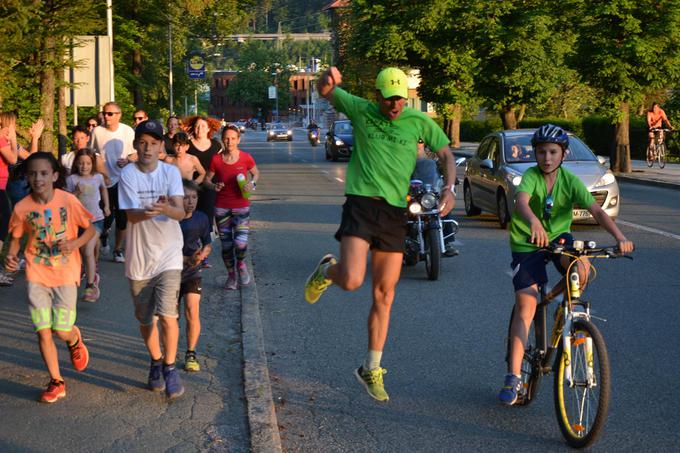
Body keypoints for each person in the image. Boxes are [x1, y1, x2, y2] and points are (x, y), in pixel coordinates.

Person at [304, 67, 456, 402]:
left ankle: (370, 366)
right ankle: (327, 270)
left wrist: (449, 188)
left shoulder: (418, 121)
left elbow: (445, 154)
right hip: (361, 203)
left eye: (400, 98)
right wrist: (327, 82)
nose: (395, 105)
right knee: (353, 279)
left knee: (385, 294)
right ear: (378, 96)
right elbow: (324, 91)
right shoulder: (361, 109)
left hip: (394, 213)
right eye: (389, 99)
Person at [498, 124, 634, 405]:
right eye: (541, 152)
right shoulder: (531, 178)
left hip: (559, 240)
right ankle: (513, 377)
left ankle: (556, 299)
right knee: (526, 306)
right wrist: (534, 222)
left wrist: (620, 237)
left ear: (562, 154)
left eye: (552, 152)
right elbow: (522, 202)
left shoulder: (570, 181)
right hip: (528, 243)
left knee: (582, 267)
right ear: (535, 154)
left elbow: (597, 210)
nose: (546, 158)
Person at [5, 151, 94, 403]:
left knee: (60, 330)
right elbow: (15, 239)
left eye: (44, 173)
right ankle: (56, 381)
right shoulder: (22, 207)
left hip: (65, 273)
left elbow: (91, 231)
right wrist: (11, 258)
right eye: (32, 173)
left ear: (55, 175)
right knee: (43, 331)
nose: (38, 178)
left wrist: (75, 243)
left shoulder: (67, 201)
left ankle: (74, 337)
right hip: (36, 274)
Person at [118, 119, 186, 399]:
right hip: (139, 259)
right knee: (146, 320)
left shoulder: (170, 173)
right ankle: (155, 361)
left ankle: (170, 368)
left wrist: (166, 209)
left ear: (161, 147)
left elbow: (180, 212)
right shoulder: (128, 175)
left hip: (169, 255)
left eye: (153, 143)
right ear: (136, 145)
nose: (147, 148)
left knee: (169, 316)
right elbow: (131, 215)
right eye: (143, 143)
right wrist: (152, 210)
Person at [204, 124, 259, 289]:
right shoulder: (216, 160)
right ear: (222, 140)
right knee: (227, 245)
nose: (230, 142)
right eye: (227, 138)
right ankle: (231, 275)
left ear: (238, 140)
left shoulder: (246, 158)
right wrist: (214, 186)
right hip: (222, 207)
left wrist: (252, 183)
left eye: (233, 138)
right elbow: (206, 180)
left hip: (241, 206)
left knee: (241, 243)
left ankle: (241, 264)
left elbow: (256, 172)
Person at [90, 101, 136, 263]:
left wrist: (129, 160)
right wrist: (99, 168)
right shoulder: (97, 131)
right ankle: (103, 236)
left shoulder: (128, 131)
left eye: (110, 114)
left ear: (119, 115)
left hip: (124, 179)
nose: (106, 116)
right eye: (104, 113)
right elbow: (92, 154)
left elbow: (135, 153)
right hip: (104, 180)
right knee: (104, 214)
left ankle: (117, 250)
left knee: (122, 217)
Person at [66, 148, 110, 302]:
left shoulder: (98, 177)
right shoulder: (71, 179)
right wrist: (75, 194)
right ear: (76, 164)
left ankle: (90, 286)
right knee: (79, 252)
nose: (84, 166)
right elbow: (66, 201)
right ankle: (84, 276)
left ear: (93, 164)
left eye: (88, 163)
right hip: (77, 222)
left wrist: (106, 206)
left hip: (96, 220)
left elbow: (104, 190)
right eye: (81, 163)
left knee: (88, 251)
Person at [178, 179, 212, 371]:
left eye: (194, 197)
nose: (190, 202)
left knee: (192, 309)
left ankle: (191, 353)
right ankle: (168, 350)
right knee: (171, 318)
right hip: (171, 272)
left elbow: (207, 242)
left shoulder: (201, 218)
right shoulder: (171, 220)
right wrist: (187, 259)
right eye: (185, 197)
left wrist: (202, 255)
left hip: (193, 272)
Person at [185, 116, 222, 227]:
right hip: (192, 187)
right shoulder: (187, 145)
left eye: (203, 126)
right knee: (191, 217)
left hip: (210, 187)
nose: (199, 129)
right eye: (196, 126)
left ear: (208, 129)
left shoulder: (216, 145)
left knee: (207, 217)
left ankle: (207, 241)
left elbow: (220, 167)